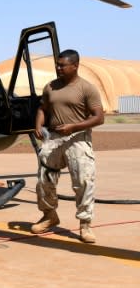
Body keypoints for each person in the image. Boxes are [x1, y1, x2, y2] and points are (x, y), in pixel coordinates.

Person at [30, 49, 103, 243]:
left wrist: (74, 127)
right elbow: (42, 109)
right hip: (53, 139)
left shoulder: (87, 88)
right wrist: (38, 124)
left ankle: (85, 224)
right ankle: (49, 215)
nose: (58, 68)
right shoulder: (50, 87)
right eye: (57, 64)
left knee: (83, 181)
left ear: (75, 66)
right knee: (44, 180)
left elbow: (99, 117)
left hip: (77, 139)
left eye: (62, 65)